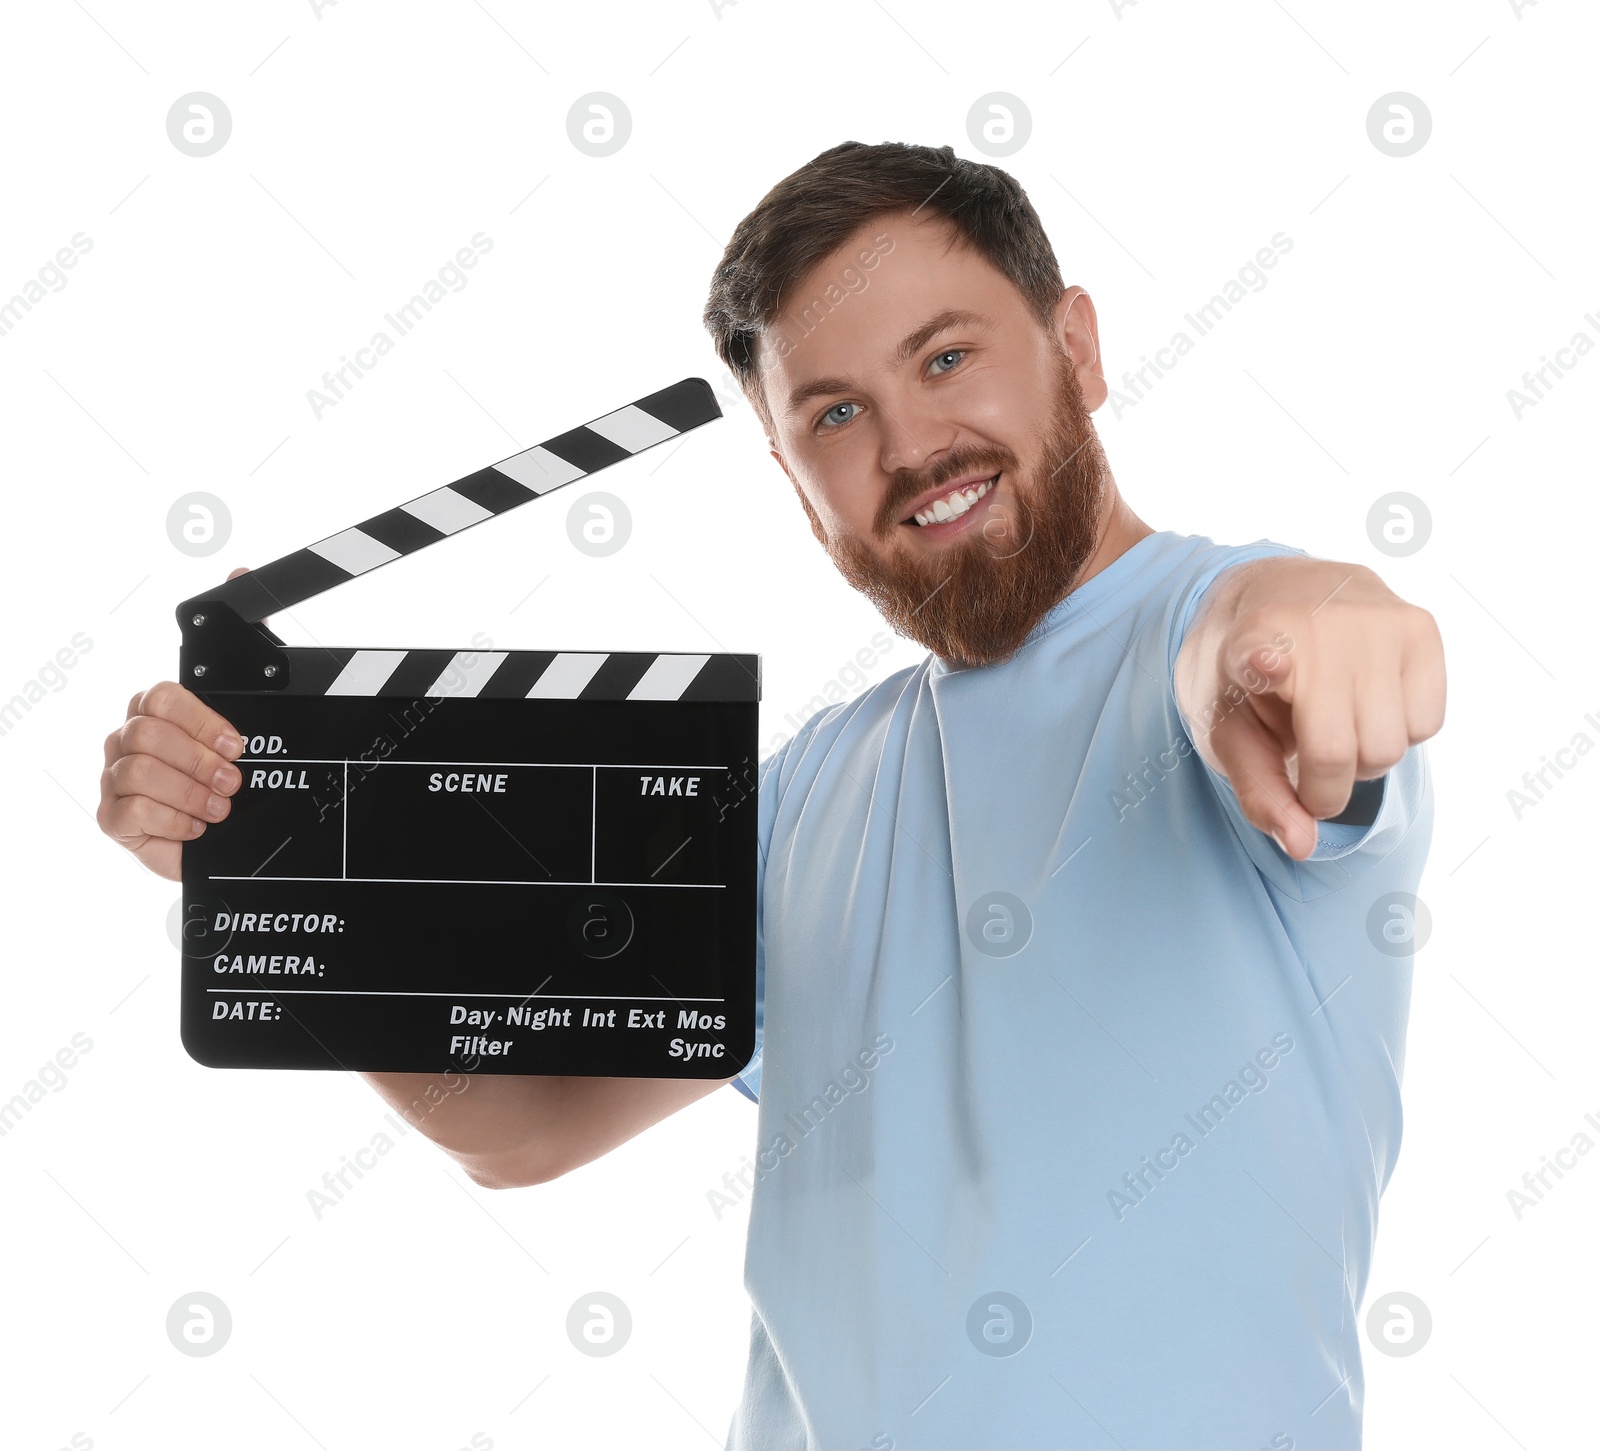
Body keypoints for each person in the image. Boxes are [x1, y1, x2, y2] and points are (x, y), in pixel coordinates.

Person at [98, 141, 1444, 1450]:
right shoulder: (807, 794)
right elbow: (517, 1130)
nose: (913, 443)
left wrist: (1321, 631)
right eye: (837, 414)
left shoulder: (1214, 654)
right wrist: (258, 858)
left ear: (1077, 348)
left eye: (950, 356)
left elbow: (1297, 627)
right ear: (798, 486)